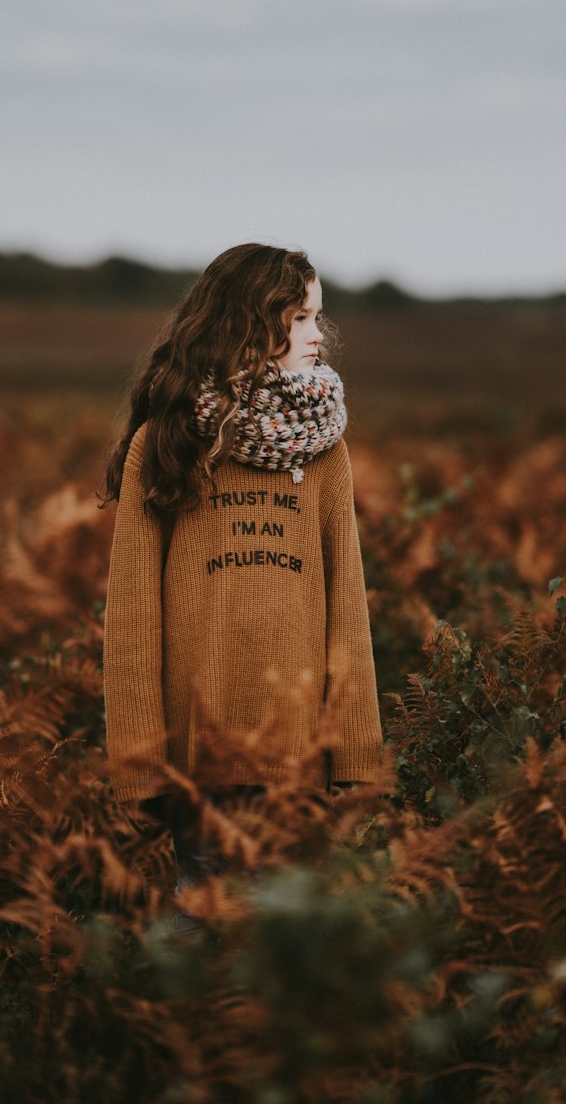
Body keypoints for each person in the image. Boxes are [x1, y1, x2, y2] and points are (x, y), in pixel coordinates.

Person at [100, 243, 384, 885]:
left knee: (282, 952)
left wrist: (355, 753)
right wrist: (138, 761)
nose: (320, 335)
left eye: (320, 317)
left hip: (299, 751)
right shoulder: (168, 439)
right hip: (200, 754)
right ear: (254, 323)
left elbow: (348, 605)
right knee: (207, 934)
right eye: (305, 317)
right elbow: (132, 616)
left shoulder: (324, 453)